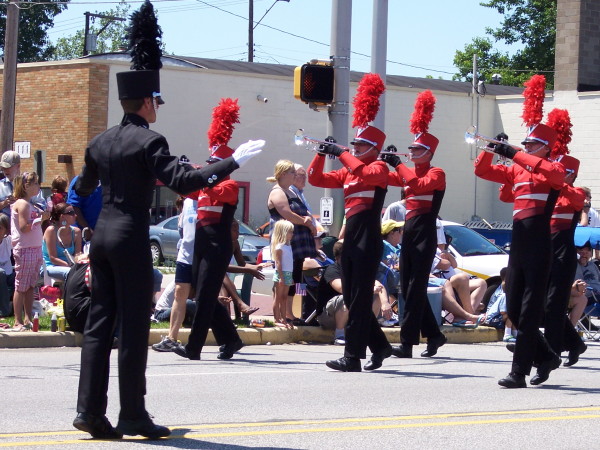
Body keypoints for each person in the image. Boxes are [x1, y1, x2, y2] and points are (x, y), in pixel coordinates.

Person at [72, 3, 264, 440]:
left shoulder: (100, 141)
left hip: (101, 236)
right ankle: (133, 414)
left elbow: (83, 188)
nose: (158, 105)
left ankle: (89, 410)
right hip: (130, 237)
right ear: (145, 101)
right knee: (135, 327)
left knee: (100, 326)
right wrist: (231, 162)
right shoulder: (150, 139)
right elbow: (187, 181)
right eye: (156, 99)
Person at [474, 74, 565, 388]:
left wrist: (515, 153)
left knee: (527, 311)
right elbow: (482, 170)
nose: (524, 148)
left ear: (545, 147)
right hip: (519, 242)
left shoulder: (553, 167)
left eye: (530, 144)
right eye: (523, 143)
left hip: (540, 242)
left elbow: (556, 176)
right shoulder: (517, 168)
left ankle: (518, 372)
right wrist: (490, 147)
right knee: (513, 308)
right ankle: (547, 356)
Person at [308, 73, 393, 372]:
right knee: (354, 297)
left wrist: (341, 153)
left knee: (356, 299)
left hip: (368, 236)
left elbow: (366, 173)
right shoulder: (349, 171)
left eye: (360, 145)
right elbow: (316, 178)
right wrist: (321, 154)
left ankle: (353, 356)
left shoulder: (378, 166)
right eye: (353, 144)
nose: (354, 148)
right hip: (352, 237)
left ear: (373, 148)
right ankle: (380, 346)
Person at [173, 98, 250, 363]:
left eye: (214, 163)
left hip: (217, 244)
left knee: (206, 296)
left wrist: (200, 172)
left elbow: (210, 187)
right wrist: (183, 170)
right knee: (202, 294)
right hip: (202, 243)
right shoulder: (208, 184)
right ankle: (231, 339)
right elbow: (187, 189)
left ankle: (193, 348)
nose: (209, 167)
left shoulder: (228, 186)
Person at [383, 90, 448, 360]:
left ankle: (407, 343)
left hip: (424, 233)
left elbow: (416, 184)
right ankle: (434, 334)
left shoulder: (436, 172)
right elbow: (390, 179)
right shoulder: (409, 172)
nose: (411, 152)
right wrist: (380, 160)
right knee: (408, 290)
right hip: (409, 232)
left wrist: (398, 164)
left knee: (415, 289)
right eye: (410, 149)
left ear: (429, 152)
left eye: (417, 149)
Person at [541, 114, 588, 369]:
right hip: (546, 253)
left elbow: (575, 199)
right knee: (546, 306)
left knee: (553, 305)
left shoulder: (574, 193)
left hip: (562, 255)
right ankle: (575, 343)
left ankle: (553, 350)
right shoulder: (551, 193)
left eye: (566, 172)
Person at [267, 159, 317, 325]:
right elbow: (286, 213)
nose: (296, 176)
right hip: (286, 242)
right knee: (283, 279)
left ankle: (292, 312)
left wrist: (310, 221)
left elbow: (304, 211)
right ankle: (282, 315)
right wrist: (305, 222)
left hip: (298, 242)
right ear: (282, 174)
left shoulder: (292, 192)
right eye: (292, 173)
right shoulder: (277, 192)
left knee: (296, 277)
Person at [152, 196, 197, 351]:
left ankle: (228, 336)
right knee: (180, 295)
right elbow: (184, 233)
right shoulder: (187, 204)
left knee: (205, 299)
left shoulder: (208, 198)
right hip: (185, 257)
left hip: (202, 257)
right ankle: (172, 338)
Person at [10, 172, 51, 331]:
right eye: (35, 184)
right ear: (26, 186)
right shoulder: (23, 204)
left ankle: (27, 318)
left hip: (34, 247)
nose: (38, 186)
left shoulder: (30, 204)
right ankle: (17, 321)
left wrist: (41, 216)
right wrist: (40, 219)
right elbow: (24, 227)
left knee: (30, 285)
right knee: (21, 285)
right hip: (25, 248)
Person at [42, 203, 83, 281]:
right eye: (71, 213)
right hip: (50, 266)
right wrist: (71, 266)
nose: (75, 215)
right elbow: (53, 258)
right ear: (62, 216)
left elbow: (77, 255)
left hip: (71, 267)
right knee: (71, 273)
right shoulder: (51, 230)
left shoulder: (76, 231)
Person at [271, 219, 295, 328]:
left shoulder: (288, 246)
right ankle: (276, 318)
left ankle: (284, 318)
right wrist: (281, 277)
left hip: (288, 274)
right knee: (278, 297)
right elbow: (279, 263)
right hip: (281, 274)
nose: (292, 234)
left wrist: (290, 277)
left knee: (285, 297)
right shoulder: (279, 247)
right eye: (290, 232)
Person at [483, 267, 516, 341]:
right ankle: (507, 335)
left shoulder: (504, 292)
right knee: (511, 313)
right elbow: (503, 312)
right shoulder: (503, 295)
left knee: (514, 312)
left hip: (498, 318)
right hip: (492, 319)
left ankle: (515, 334)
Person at [66, 175, 102, 241]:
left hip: (102, 233)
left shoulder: (107, 180)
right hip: (83, 234)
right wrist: (86, 228)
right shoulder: (81, 180)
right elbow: (74, 206)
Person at [0, 213, 14, 317]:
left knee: (18, 276)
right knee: (2, 274)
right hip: (1, 273)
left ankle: (15, 308)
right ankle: (4, 311)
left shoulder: (8, 240)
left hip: (9, 271)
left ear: (6, 229)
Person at [0, 151, 22, 217]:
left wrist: (23, 203)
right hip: (4, 225)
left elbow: (42, 206)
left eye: (8, 167)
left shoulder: (28, 184)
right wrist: (4, 203)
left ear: (18, 166)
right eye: (3, 167)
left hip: (23, 225)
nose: (5, 169)